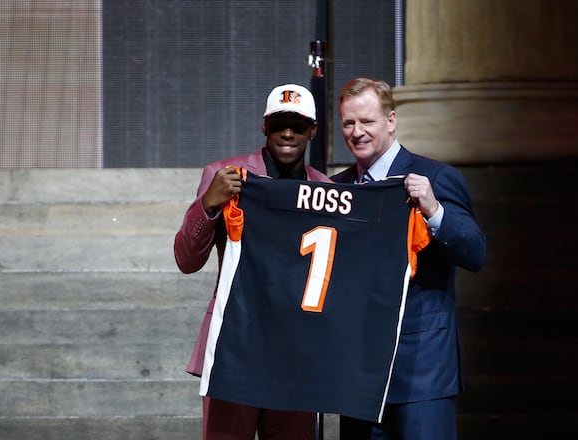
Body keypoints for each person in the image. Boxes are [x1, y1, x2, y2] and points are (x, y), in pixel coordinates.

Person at [331, 77, 486, 439]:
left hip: (422, 373)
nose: (357, 132)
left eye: (367, 121)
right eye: (349, 123)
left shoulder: (435, 177)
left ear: (391, 120)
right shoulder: (337, 189)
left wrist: (433, 210)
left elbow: (475, 253)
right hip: (357, 380)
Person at [173, 83, 330, 440]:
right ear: (264, 127)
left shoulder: (326, 189)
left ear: (312, 131)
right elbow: (186, 259)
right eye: (278, 124)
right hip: (235, 343)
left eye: (297, 125)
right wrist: (208, 205)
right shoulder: (225, 175)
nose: (287, 133)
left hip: (296, 350)